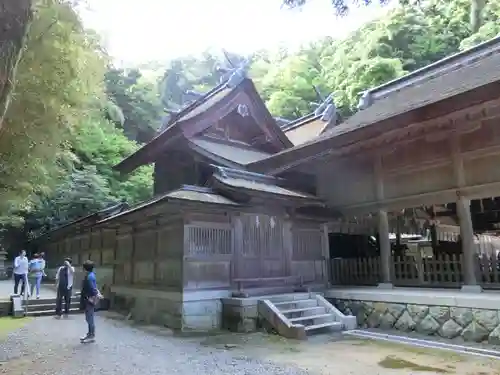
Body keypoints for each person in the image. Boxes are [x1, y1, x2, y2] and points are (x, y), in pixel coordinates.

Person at [79, 260, 101, 343]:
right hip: (88, 299)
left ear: (85, 268)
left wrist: (95, 295)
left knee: (89, 318)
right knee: (88, 318)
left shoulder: (89, 277)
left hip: (89, 300)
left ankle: (91, 335)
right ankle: (89, 333)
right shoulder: (90, 275)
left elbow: (92, 289)